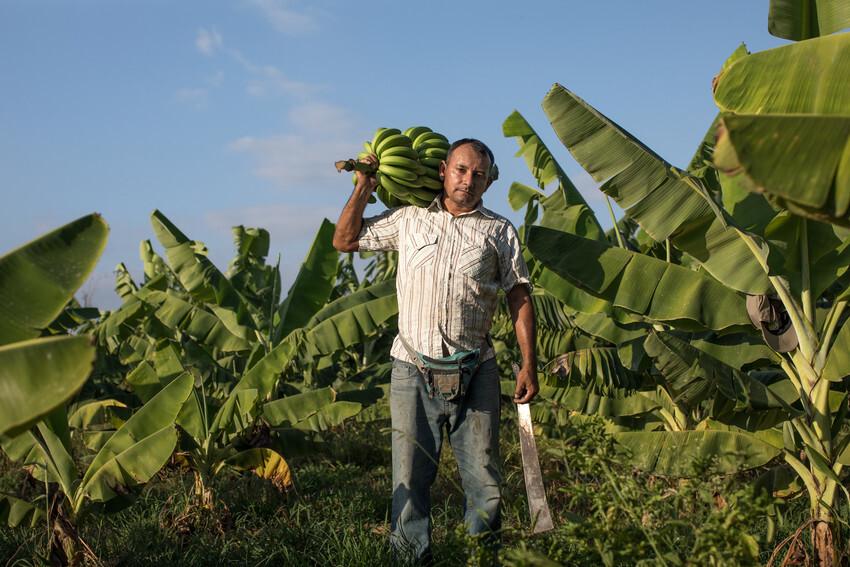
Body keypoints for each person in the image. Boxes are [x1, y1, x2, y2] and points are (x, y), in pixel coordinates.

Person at [333, 138, 538, 563]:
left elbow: (519, 296)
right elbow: (345, 240)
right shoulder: (409, 219)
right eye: (461, 170)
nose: (468, 180)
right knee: (409, 479)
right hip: (412, 369)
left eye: (478, 174)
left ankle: (479, 558)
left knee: (485, 483)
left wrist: (528, 364)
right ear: (444, 170)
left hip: (475, 370)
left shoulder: (499, 231)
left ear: (488, 182)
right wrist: (363, 187)